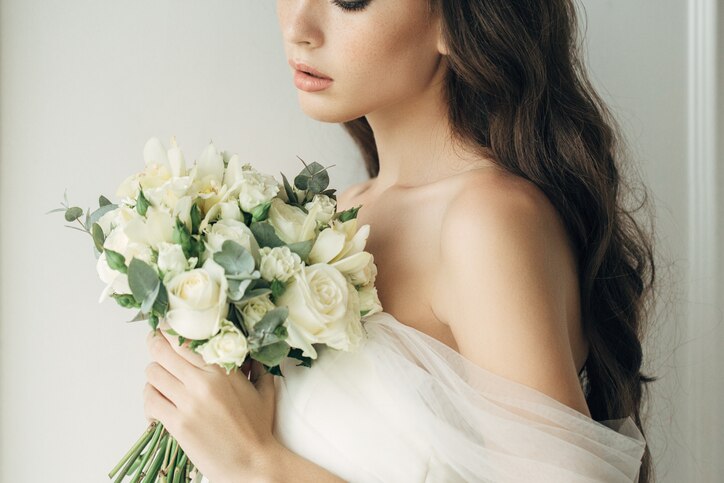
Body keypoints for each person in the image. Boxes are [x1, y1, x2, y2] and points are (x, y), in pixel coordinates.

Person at [142, 0, 659, 481]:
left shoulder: (483, 223)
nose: (298, 28)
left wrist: (258, 464)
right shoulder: (330, 220)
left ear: (457, 22)